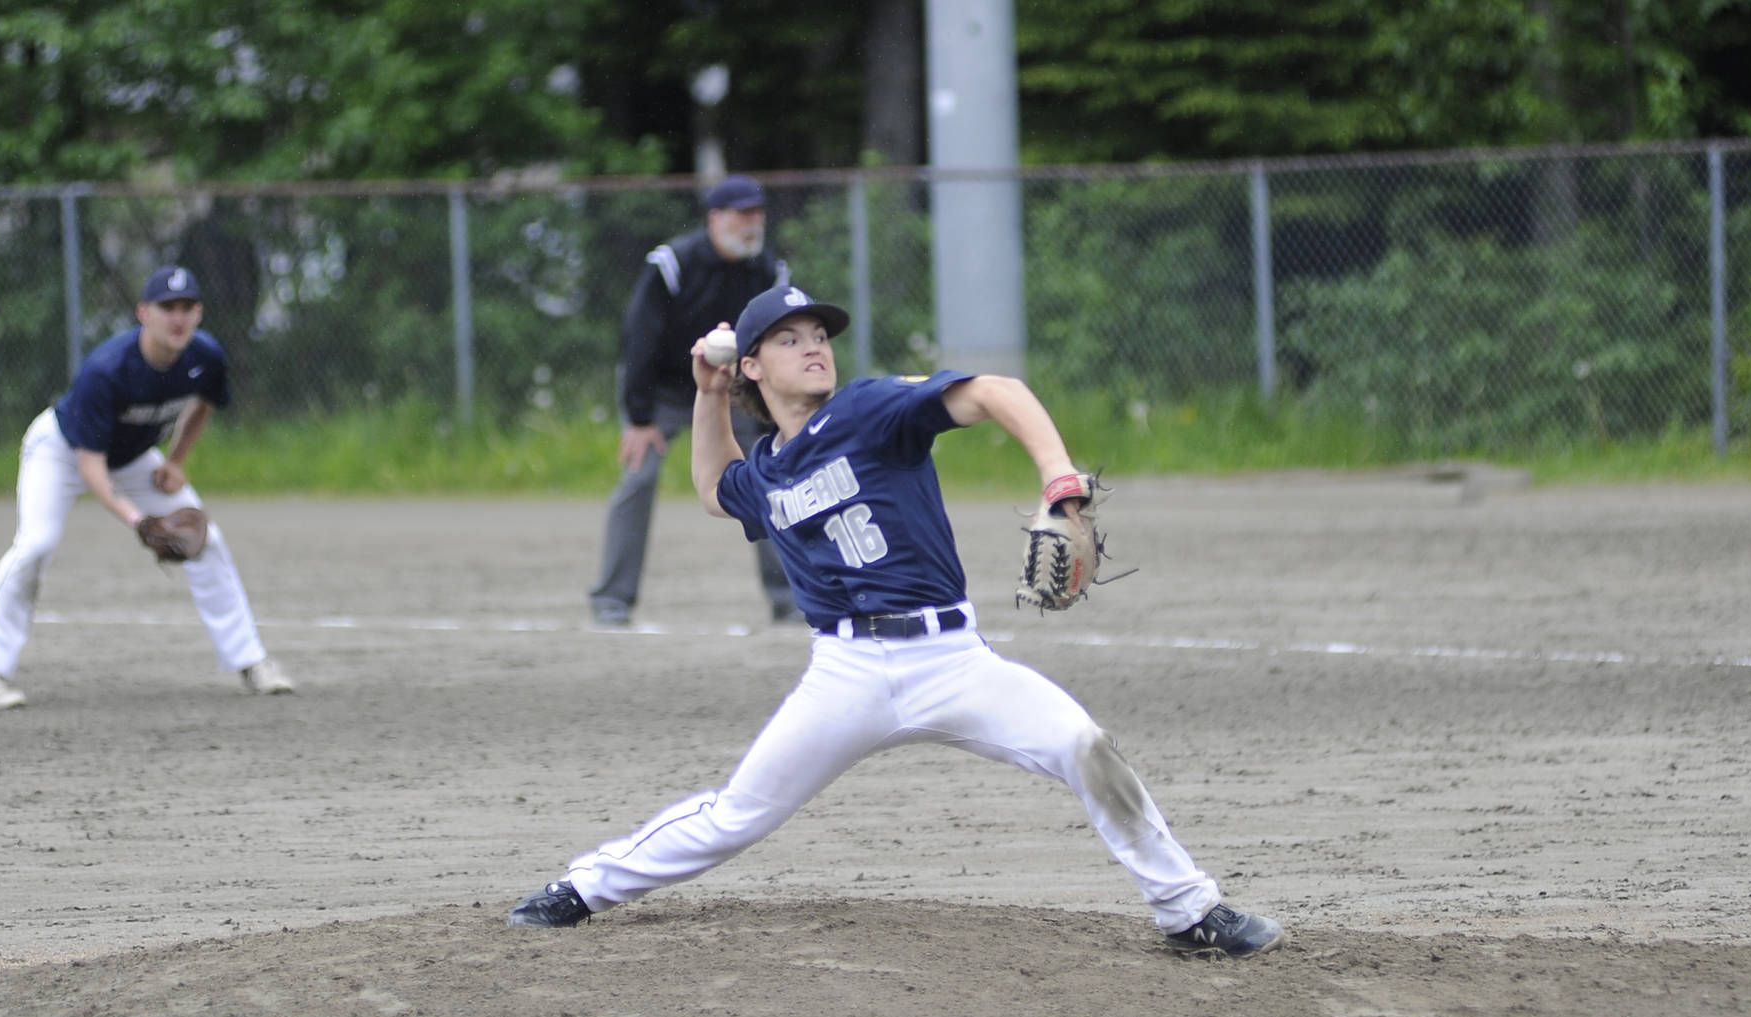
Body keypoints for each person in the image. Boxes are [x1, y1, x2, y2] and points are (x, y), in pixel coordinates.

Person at [510, 285, 1285, 959]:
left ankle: (1190, 912)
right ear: (752, 365)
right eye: (790, 339)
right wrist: (707, 394)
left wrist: (1061, 483)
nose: (814, 347)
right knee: (736, 814)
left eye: (820, 335)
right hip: (844, 676)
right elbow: (715, 489)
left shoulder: (871, 409)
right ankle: (580, 889)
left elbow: (996, 391)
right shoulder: (770, 469)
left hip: (954, 660)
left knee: (1084, 747)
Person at [0, 265, 294, 710]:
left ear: (199, 313)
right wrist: (138, 519)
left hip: (133, 458)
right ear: (143, 313)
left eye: (187, 307)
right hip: (61, 450)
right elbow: (91, 468)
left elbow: (205, 403)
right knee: (36, 544)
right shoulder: (107, 369)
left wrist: (175, 461)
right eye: (166, 307)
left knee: (207, 540)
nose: (177, 317)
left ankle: (253, 662)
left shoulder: (205, 355)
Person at [589, 173, 799, 628]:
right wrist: (639, 417)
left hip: (737, 390)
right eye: (742, 214)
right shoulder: (673, 263)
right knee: (638, 479)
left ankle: (788, 597)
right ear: (714, 219)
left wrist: (770, 415)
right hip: (664, 392)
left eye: (757, 213)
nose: (753, 223)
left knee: (771, 478)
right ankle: (613, 599)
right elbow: (639, 337)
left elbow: (775, 342)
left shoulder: (767, 270)